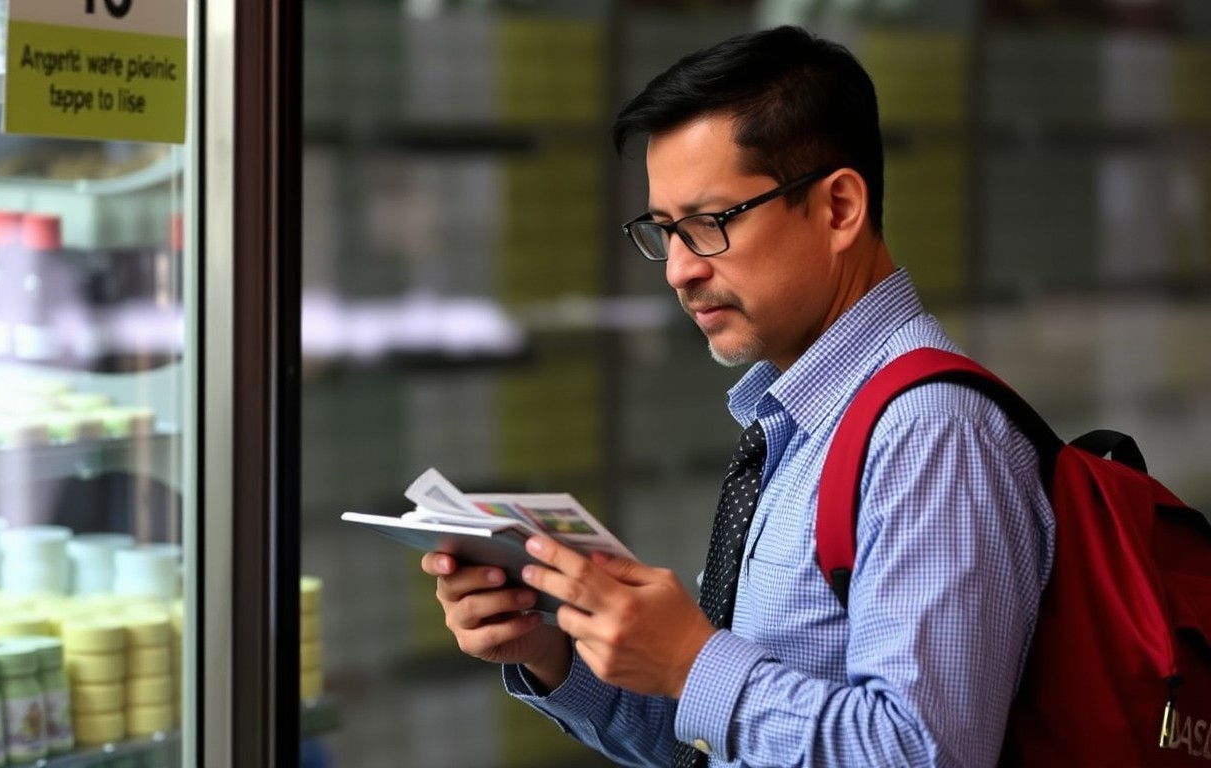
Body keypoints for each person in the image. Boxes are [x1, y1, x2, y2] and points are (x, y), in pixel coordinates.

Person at [421, 25, 1055, 768]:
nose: (678, 271)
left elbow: (923, 754)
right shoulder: (801, 419)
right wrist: (557, 650)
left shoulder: (930, 433)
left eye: (709, 224)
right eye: (664, 232)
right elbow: (718, 742)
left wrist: (692, 662)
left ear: (840, 208)